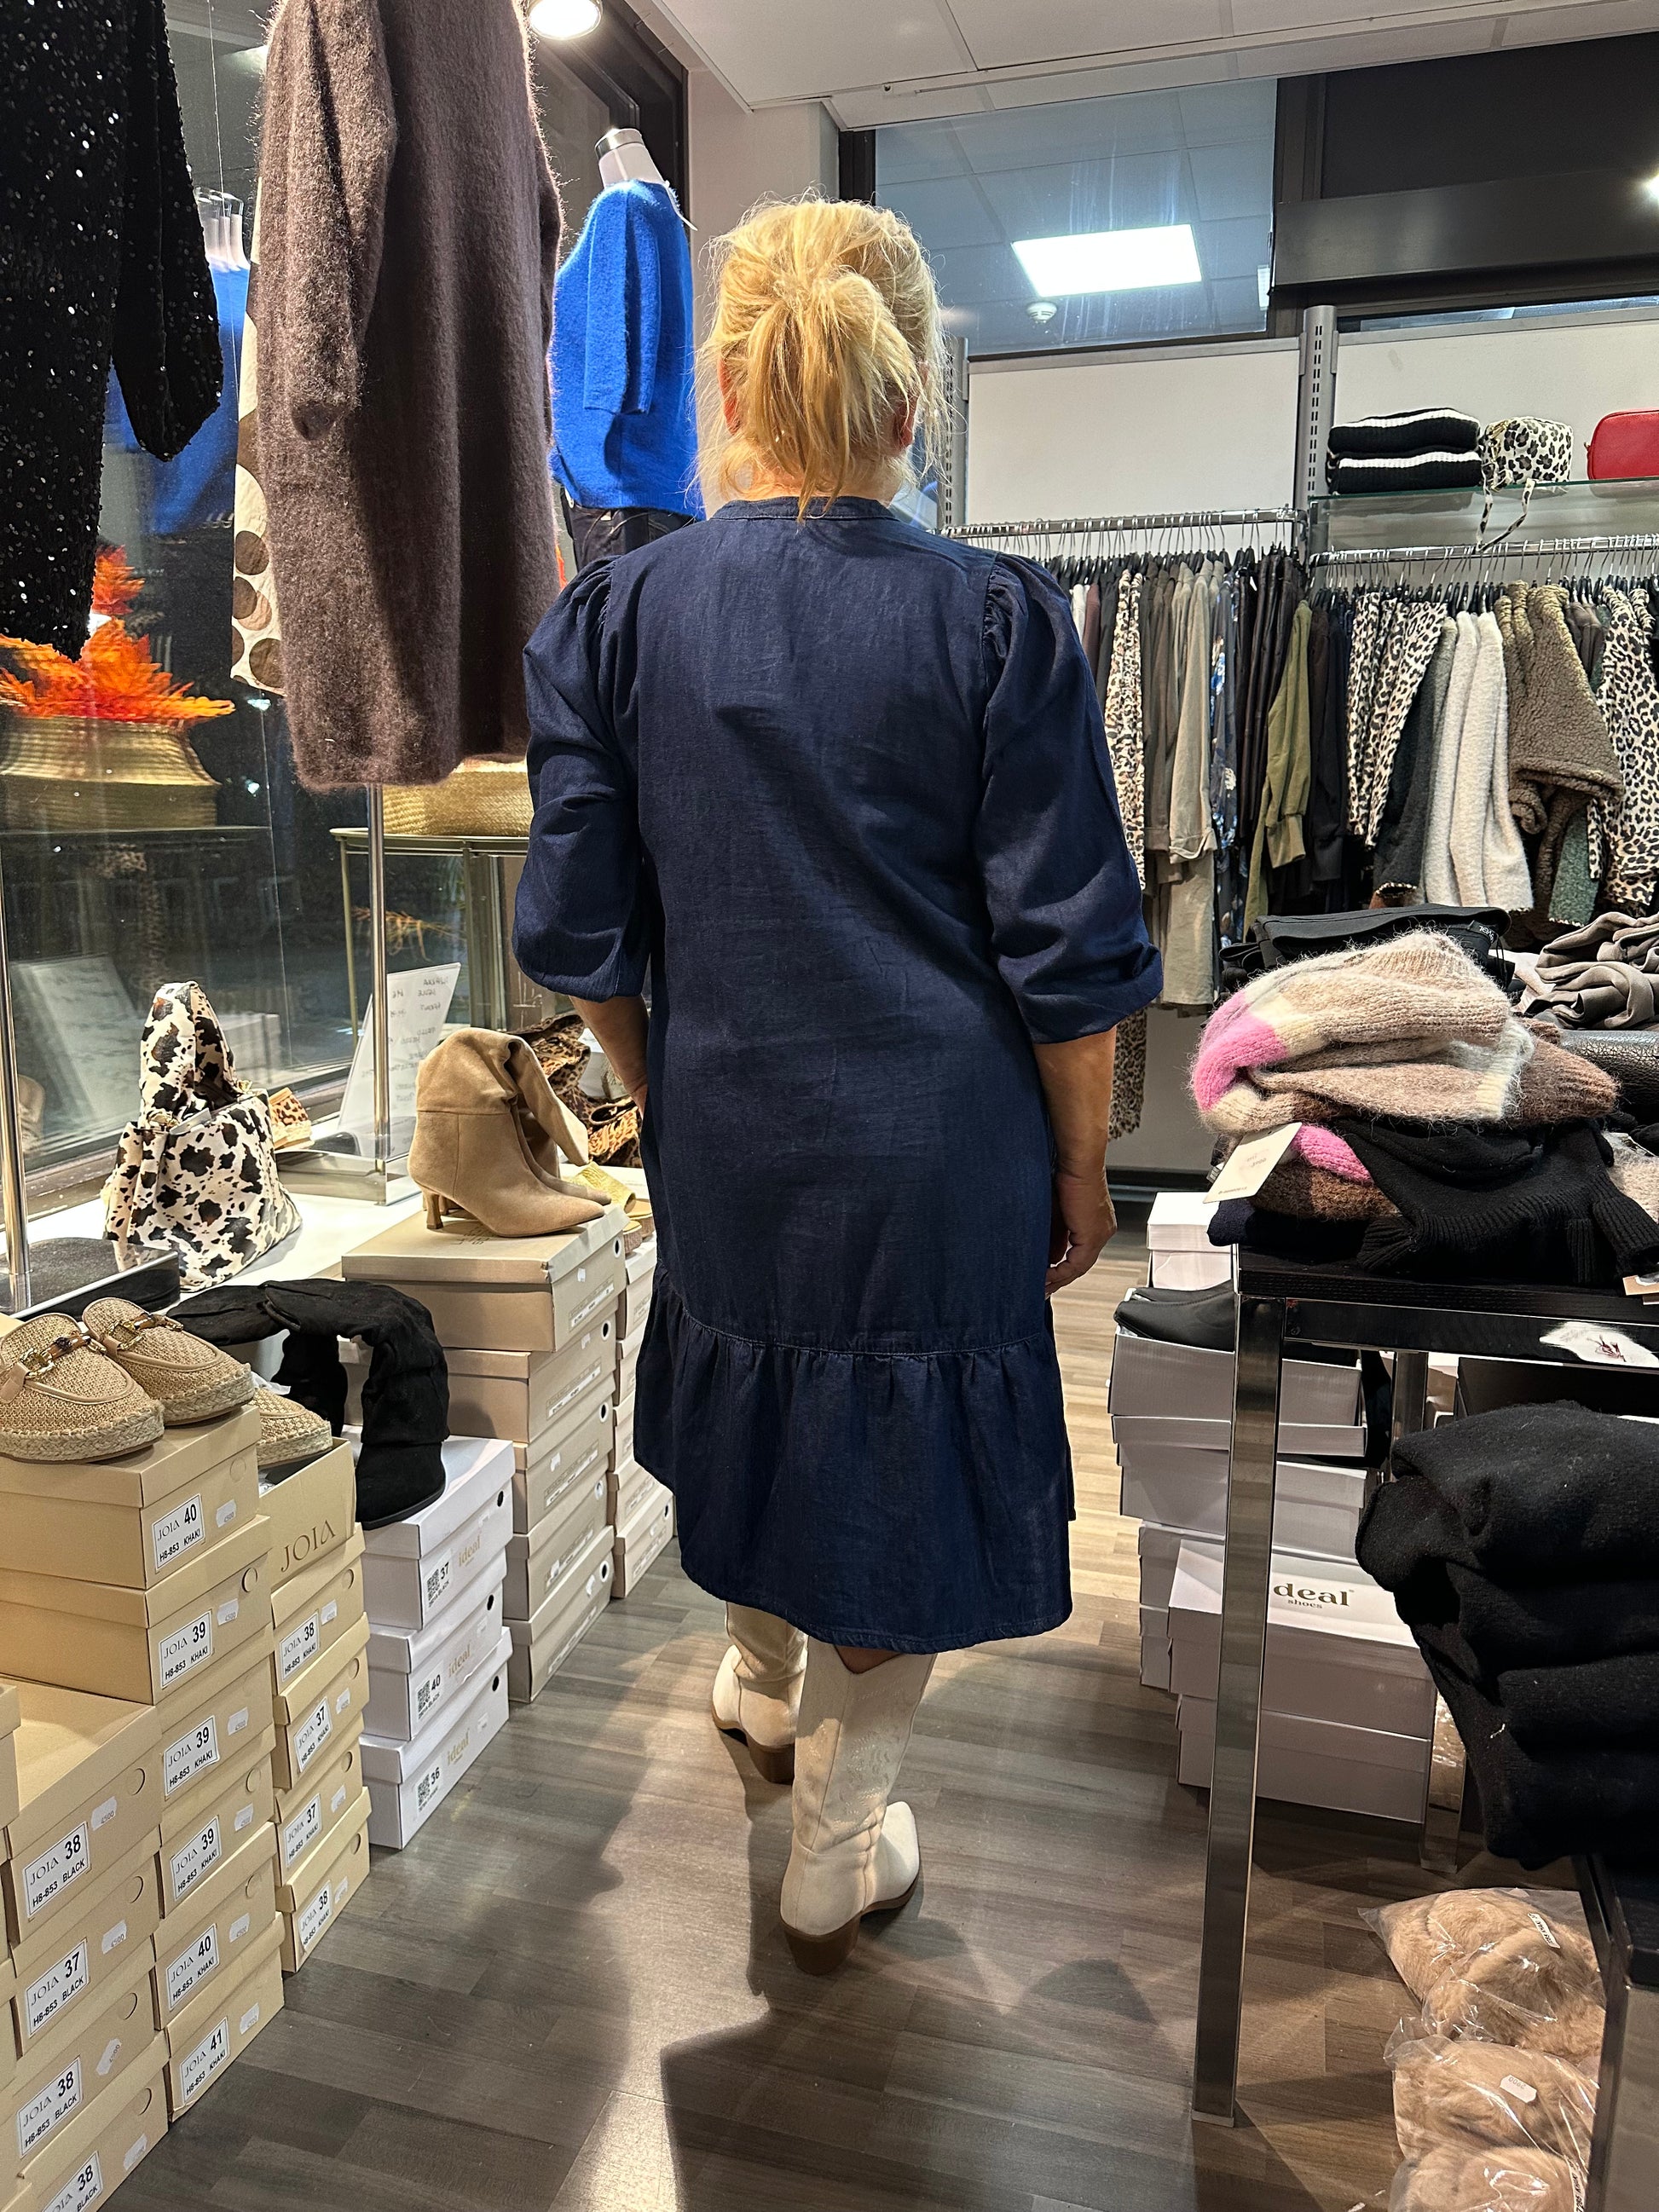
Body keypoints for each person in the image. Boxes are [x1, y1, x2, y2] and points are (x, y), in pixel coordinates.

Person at [513, 196, 1159, 1974]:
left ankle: (755, 1674)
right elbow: (1067, 957)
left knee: (753, 1403)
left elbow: (583, 939)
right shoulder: (997, 620)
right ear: (910, 398)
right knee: (893, 1457)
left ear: (726, 390)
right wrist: (1082, 1166)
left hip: (730, 1122)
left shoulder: (614, 618)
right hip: (939, 1142)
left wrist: (662, 1085)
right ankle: (838, 1830)